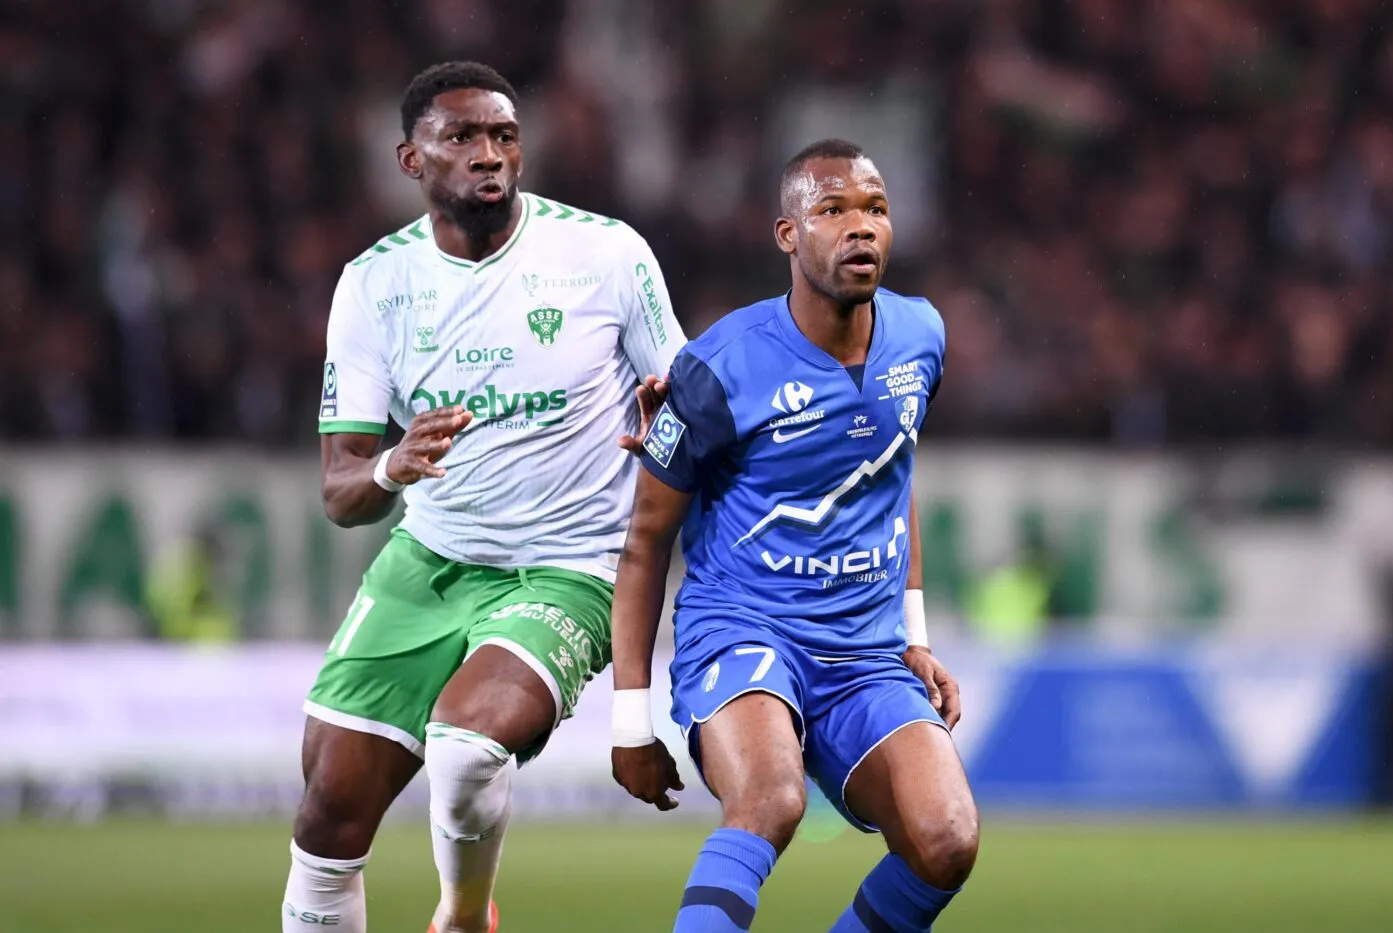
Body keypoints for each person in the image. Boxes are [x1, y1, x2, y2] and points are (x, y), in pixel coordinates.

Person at [282, 61, 685, 933]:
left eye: (504, 136)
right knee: (325, 817)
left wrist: (671, 419)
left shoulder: (605, 254)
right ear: (409, 160)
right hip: (430, 561)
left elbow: (687, 399)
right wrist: (392, 465)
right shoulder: (375, 284)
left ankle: (463, 917)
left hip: (570, 567)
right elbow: (342, 491)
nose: (489, 154)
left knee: (466, 749)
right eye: (460, 137)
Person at [609, 139, 979, 932]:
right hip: (745, 629)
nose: (860, 229)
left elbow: (894, 470)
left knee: (946, 840)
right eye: (833, 209)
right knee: (770, 799)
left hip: (863, 652)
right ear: (787, 234)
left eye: (875, 209)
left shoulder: (922, 335)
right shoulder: (717, 369)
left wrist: (913, 635)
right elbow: (644, 544)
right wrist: (629, 719)